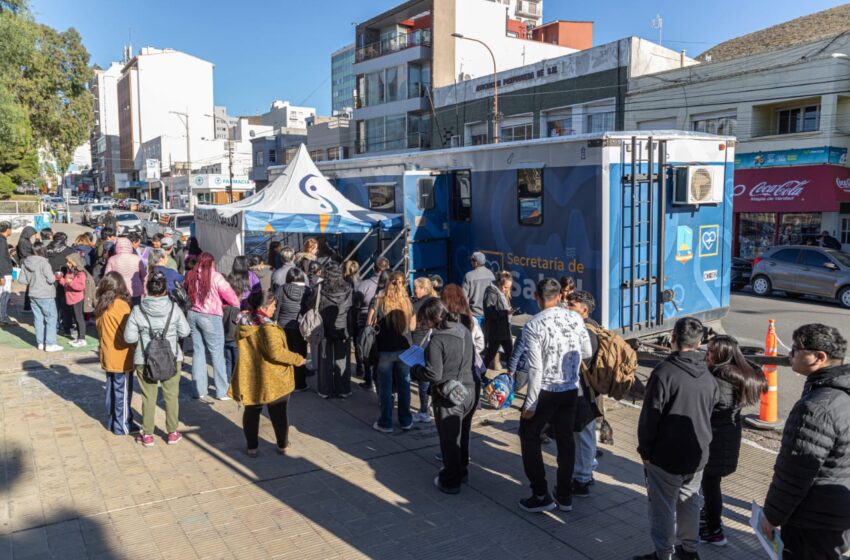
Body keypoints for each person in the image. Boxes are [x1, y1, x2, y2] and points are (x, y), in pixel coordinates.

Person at [760, 324, 850, 560]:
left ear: (819, 357)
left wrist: (771, 516)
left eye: (796, 349)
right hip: (839, 511)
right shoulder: (842, 390)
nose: (790, 354)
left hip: (812, 518)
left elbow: (794, 473)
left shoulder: (816, 407)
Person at [634, 317, 719, 560]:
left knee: (662, 508)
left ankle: (664, 554)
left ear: (672, 339)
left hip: (665, 456)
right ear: (699, 342)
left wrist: (645, 451)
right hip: (698, 453)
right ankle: (689, 549)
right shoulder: (708, 375)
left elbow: (650, 417)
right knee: (690, 501)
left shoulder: (664, 372)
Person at [516, 278, 591, 514]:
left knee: (529, 435)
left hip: (546, 390)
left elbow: (536, 369)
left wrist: (530, 403)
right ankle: (565, 495)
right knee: (566, 440)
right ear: (559, 296)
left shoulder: (533, 325)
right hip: (570, 389)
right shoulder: (575, 318)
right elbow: (587, 350)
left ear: (537, 297)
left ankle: (540, 493)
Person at [700, 335, 766, 546]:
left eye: (710, 351)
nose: (706, 354)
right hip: (728, 435)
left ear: (722, 355)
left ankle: (714, 531)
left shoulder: (718, 379)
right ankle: (710, 517)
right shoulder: (741, 374)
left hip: (715, 439)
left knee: (710, 486)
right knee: (712, 485)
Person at [230, 289, 306, 457]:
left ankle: (252, 447)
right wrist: (298, 359)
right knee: (278, 412)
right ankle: (282, 444)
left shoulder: (243, 321)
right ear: (264, 306)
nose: (274, 308)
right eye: (273, 305)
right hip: (273, 377)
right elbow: (276, 353)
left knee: (252, 411)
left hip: (250, 374)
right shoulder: (268, 327)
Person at [413, 298, 475, 494]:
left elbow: (434, 374)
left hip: (450, 395)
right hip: (470, 389)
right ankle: (461, 471)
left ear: (431, 318)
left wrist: (416, 371)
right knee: (462, 435)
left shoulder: (437, 340)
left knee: (449, 440)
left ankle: (450, 480)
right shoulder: (462, 329)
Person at [124, 272, 191, 447]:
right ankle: (172, 432)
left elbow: (129, 338)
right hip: (171, 357)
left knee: (148, 397)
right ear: (164, 290)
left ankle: (147, 434)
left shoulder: (138, 310)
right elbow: (185, 332)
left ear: (147, 290)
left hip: (145, 358)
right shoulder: (174, 309)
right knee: (171, 396)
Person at [186, 252, 241, 400]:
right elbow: (232, 297)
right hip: (210, 316)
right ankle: (222, 391)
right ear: (212, 263)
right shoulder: (216, 276)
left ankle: (198, 390)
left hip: (193, 314)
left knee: (198, 352)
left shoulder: (191, 274)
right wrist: (232, 305)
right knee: (217, 354)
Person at [565, 290, 602, 498]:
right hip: (588, 388)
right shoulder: (592, 325)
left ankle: (582, 479)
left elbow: (583, 360)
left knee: (583, 434)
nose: (567, 306)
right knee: (584, 433)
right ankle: (587, 469)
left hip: (583, 389)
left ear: (584, 310)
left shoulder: (586, 331)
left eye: (572, 304)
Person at [368, 271, 415, 433]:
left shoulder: (379, 300)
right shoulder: (408, 302)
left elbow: (370, 323)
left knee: (385, 387)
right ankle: (405, 420)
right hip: (404, 348)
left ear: (389, 283)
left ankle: (386, 422)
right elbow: (413, 326)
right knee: (404, 385)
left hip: (384, 348)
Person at [94, 272, 137, 435]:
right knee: (123, 392)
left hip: (107, 353)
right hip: (122, 355)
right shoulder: (121, 305)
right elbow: (129, 333)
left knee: (112, 390)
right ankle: (122, 425)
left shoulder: (101, 305)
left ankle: (114, 421)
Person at [316, 262, 353, 399]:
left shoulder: (320, 288)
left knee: (325, 360)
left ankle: (325, 390)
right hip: (342, 327)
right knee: (342, 361)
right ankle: (343, 389)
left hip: (324, 327)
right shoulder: (348, 288)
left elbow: (313, 304)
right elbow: (350, 308)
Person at [18, 242, 62, 352]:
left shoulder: (26, 262)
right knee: (51, 318)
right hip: (46, 294)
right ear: (43, 250)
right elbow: (51, 279)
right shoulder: (44, 263)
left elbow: (22, 280)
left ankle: (40, 343)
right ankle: (50, 343)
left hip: (33, 294)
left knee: (38, 319)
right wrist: (55, 276)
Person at [353, 257, 389, 389]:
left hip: (365, 320)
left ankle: (369, 380)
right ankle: (375, 379)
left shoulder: (364, 284)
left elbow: (357, 303)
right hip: (382, 323)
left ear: (374, 268)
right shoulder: (393, 287)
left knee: (367, 348)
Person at [274, 267, 311, 392]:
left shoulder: (281, 288)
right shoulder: (307, 290)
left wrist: (274, 321)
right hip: (300, 326)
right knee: (300, 354)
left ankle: (285, 382)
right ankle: (300, 383)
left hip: (283, 326)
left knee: (285, 354)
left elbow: (277, 307)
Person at [412, 277, 438, 423]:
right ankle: (432, 407)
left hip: (420, 343)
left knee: (423, 379)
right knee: (433, 377)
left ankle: (423, 411)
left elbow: (412, 326)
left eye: (416, 288)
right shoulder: (435, 301)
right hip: (433, 342)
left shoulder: (417, 305)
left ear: (424, 289)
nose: (414, 290)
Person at [45, 232, 76, 335]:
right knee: (65, 306)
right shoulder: (69, 251)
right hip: (64, 282)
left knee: (53, 305)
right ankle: (67, 328)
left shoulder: (46, 250)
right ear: (64, 240)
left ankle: (55, 326)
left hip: (49, 281)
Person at [482, 271, 514, 370]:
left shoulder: (502, 292)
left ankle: (511, 377)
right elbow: (489, 313)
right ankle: (479, 375)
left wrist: (509, 311)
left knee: (510, 354)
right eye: (505, 287)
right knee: (490, 355)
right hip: (495, 331)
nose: (506, 290)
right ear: (500, 284)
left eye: (508, 287)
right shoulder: (491, 292)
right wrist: (506, 312)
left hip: (505, 329)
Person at [58, 253, 89, 348]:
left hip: (77, 299)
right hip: (70, 298)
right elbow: (66, 284)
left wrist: (71, 282)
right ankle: (79, 338)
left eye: (69, 262)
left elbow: (81, 286)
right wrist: (60, 279)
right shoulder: (70, 272)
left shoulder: (81, 273)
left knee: (79, 318)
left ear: (74, 263)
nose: (67, 264)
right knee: (75, 318)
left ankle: (82, 338)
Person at [105, 237, 146, 306]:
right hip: (135, 291)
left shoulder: (112, 259)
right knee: (135, 312)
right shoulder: (137, 258)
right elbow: (144, 275)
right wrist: (144, 289)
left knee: (120, 313)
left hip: (118, 291)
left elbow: (107, 276)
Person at [462, 251, 495, 328]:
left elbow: (463, 297)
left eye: (472, 261)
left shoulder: (469, 276)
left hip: (474, 316)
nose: (471, 262)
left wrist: (467, 314)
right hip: (489, 314)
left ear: (476, 263)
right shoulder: (491, 274)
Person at [222, 276, 241, 385]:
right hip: (234, 340)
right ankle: (235, 381)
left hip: (225, 339)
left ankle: (228, 381)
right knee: (236, 362)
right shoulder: (236, 310)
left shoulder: (223, 308)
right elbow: (238, 323)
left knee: (228, 361)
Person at [16, 225, 37, 313]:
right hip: (27, 263)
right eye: (32, 234)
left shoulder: (24, 240)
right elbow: (26, 253)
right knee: (31, 285)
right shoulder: (24, 242)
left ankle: (28, 305)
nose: (33, 236)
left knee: (30, 285)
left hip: (26, 262)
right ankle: (28, 305)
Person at [0, 222, 14, 326]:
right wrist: (1, 276)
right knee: (4, 295)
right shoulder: (1, 241)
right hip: (3, 272)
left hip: (4, 272)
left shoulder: (3, 240)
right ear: (7, 230)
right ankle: (3, 317)